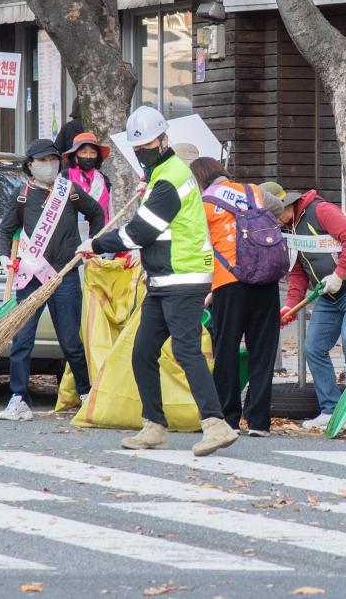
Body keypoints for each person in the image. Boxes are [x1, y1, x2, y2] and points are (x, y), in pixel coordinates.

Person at [86, 106, 237, 456]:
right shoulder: (162, 175)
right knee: (142, 352)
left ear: (165, 140)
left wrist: (96, 244)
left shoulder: (168, 178)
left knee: (186, 350)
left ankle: (216, 424)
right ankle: (154, 426)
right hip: (164, 280)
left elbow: (140, 232)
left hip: (183, 278)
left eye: (150, 146)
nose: (144, 153)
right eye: (139, 149)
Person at [0, 140, 105, 422]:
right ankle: (18, 397)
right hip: (31, 277)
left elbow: (96, 214)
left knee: (71, 341)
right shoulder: (21, 195)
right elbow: (4, 233)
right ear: (30, 164)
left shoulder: (69, 192)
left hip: (64, 276)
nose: (49, 165)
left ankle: (85, 393)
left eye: (53, 160)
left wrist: (93, 244)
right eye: (43, 160)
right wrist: (3, 258)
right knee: (22, 340)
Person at [277, 189, 346, 432]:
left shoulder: (321, 210)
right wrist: (290, 305)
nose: (274, 219)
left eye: (276, 213)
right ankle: (330, 408)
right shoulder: (286, 229)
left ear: (288, 204)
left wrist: (340, 274)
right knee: (312, 347)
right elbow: (297, 271)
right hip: (327, 293)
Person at [198, 158, 282, 437]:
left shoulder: (203, 202)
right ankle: (259, 422)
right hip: (265, 279)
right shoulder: (253, 191)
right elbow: (279, 208)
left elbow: (199, 245)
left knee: (227, 350)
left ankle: (228, 418)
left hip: (228, 281)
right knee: (263, 351)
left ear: (200, 179)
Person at [64, 132, 112, 222]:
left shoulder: (104, 180)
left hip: (101, 231)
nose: (88, 156)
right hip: (73, 233)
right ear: (75, 156)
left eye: (93, 152)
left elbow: (109, 211)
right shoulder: (64, 177)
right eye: (83, 152)